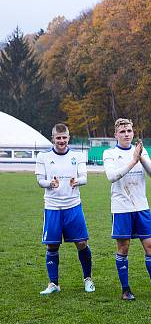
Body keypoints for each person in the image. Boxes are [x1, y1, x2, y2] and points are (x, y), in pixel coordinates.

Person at [103, 118, 151, 300]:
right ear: (116, 135)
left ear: (133, 133)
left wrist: (141, 156)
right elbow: (112, 176)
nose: (126, 134)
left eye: (129, 131)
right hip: (121, 208)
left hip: (141, 207)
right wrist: (133, 161)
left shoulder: (141, 151)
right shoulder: (109, 153)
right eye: (122, 131)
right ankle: (126, 290)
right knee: (123, 248)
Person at [35, 123, 95, 295]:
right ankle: (53, 283)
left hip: (73, 206)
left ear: (69, 138)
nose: (61, 141)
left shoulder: (78, 155)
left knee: (82, 243)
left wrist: (77, 181)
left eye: (64, 137)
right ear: (53, 138)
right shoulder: (43, 157)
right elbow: (40, 181)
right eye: (58, 138)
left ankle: (88, 279)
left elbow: (84, 177)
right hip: (52, 207)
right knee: (52, 246)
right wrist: (49, 183)